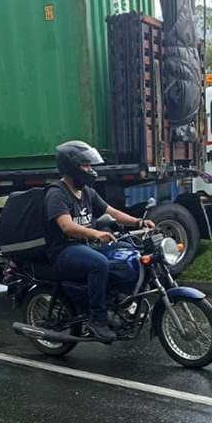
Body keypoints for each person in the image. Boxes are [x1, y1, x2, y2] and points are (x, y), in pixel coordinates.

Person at [43, 141, 155, 342]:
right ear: (71, 167)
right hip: (64, 251)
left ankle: (122, 302)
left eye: (90, 166)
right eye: (85, 166)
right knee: (99, 263)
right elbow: (67, 226)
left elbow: (111, 212)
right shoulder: (56, 193)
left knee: (128, 250)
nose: (90, 170)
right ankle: (97, 319)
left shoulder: (87, 192)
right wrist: (95, 233)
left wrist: (138, 222)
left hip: (85, 246)